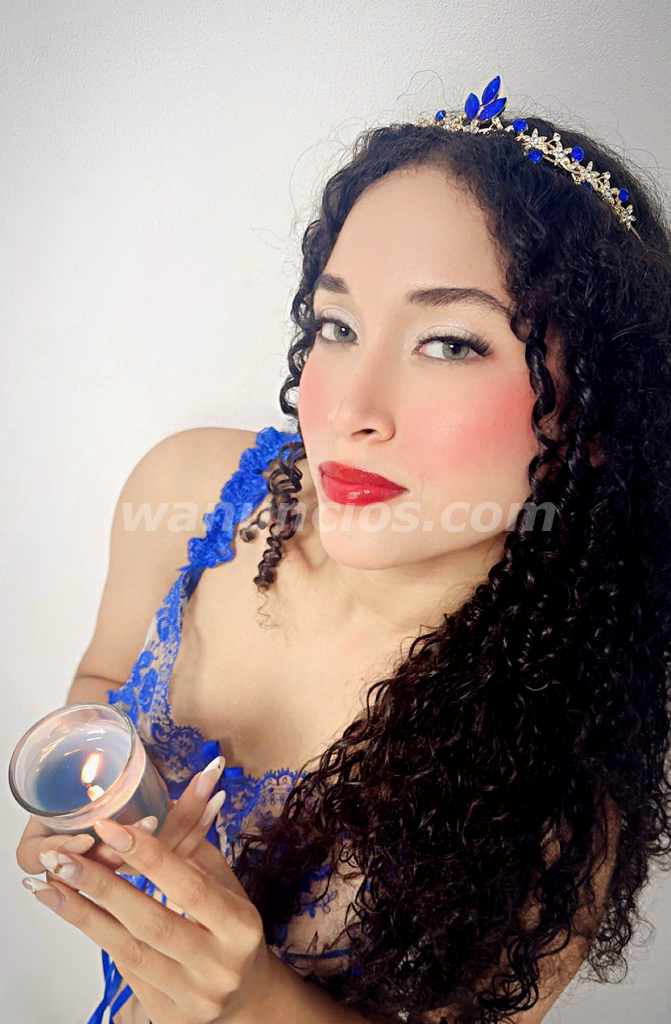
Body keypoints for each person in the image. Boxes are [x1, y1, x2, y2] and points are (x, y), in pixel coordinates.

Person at [15, 75, 671, 1024]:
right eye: (337, 326)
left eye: (449, 344)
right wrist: (82, 813)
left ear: (590, 414)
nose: (351, 411)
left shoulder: (560, 773)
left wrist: (252, 1001)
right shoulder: (188, 491)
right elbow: (104, 678)